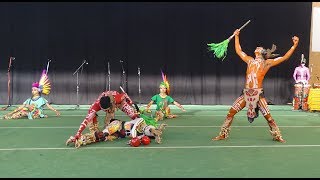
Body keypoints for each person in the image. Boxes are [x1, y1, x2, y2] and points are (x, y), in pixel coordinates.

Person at [212, 29, 299, 143]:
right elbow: (239, 51)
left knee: (269, 118)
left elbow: (284, 57)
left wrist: (294, 45)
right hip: (246, 93)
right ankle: (223, 134)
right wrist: (237, 36)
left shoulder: (267, 63)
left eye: (260, 47)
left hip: (258, 94)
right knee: (231, 113)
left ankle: (277, 135)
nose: (258, 47)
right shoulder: (249, 60)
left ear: (262, 52)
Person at [66, 90, 140, 144]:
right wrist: (78, 133)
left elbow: (124, 94)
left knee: (133, 116)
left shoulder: (117, 98)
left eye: (107, 110)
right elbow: (86, 120)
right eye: (104, 110)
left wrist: (129, 102)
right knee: (105, 126)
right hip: (110, 104)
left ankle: (137, 126)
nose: (106, 111)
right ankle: (95, 132)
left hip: (118, 103)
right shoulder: (96, 106)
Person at [66, 114, 167, 149]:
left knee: (101, 138)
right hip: (117, 125)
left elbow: (145, 134)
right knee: (103, 134)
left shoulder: (141, 134)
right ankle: (77, 138)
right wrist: (154, 130)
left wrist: (156, 133)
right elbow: (146, 129)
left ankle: (80, 140)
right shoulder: (140, 121)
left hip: (118, 135)